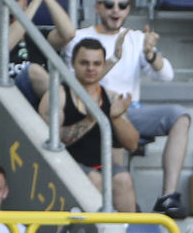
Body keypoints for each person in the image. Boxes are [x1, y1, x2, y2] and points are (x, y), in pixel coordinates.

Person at [62, 0, 193, 218]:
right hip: (92, 108)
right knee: (114, 151)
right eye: (109, 5)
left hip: (129, 111)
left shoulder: (137, 38)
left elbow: (167, 75)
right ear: (97, 7)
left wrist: (151, 54)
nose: (116, 10)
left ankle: (168, 197)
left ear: (128, 9)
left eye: (122, 5)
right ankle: (120, 213)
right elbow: (77, 84)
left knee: (180, 116)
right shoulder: (80, 37)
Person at [41, 38, 141, 213]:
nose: (91, 68)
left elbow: (132, 144)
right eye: (84, 63)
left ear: (103, 66)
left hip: (102, 166)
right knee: (94, 180)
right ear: (73, 63)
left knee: (123, 179)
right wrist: (90, 119)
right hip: (67, 165)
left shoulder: (111, 97)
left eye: (96, 63)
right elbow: (52, 140)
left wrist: (116, 119)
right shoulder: (58, 95)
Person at [0, 0, 76, 108]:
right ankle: (72, 107)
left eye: (15, 0)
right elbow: (4, 47)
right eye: (3, 0)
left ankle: (68, 108)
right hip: (8, 102)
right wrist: (36, 2)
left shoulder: (39, 36)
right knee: (33, 71)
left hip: (43, 103)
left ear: (25, 2)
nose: (10, 6)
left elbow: (68, 33)